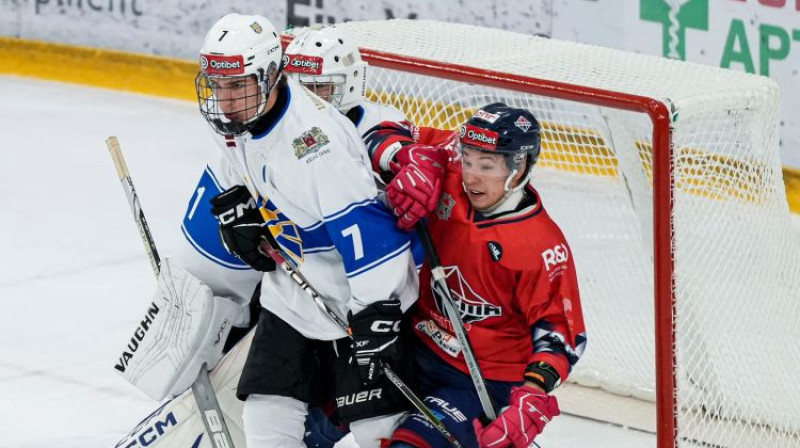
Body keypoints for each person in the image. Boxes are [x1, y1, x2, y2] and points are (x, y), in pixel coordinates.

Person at [181, 13, 419, 448]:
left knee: (377, 431)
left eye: (237, 86)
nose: (225, 99)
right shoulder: (237, 117)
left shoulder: (314, 144)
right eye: (217, 85)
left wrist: (375, 311)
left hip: (359, 300)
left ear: (271, 74)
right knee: (267, 413)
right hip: (291, 295)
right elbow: (243, 168)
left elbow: (370, 234)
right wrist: (242, 213)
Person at [362, 103, 588, 448]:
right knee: (316, 417)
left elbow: (561, 334)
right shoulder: (450, 165)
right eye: (468, 161)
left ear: (520, 166)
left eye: (487, 166)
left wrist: (533, 392)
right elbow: (378, 134)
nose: (471, 176)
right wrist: (410, 159)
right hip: (411, 346)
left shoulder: (540, 245)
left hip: (480, 380)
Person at [282, 25, 406, 138]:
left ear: (351, 84)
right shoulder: (283, 124)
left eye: (317, 85)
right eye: (296, 85)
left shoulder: (382, 124)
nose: (305, 96)